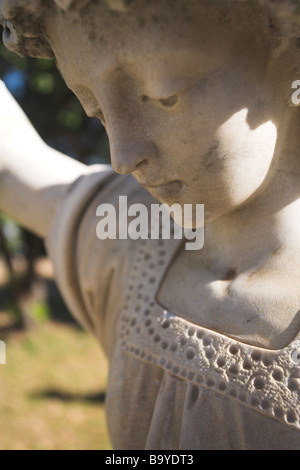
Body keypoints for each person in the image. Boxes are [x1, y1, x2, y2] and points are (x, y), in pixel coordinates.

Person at [1, 0, 300, 450]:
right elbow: (12, 165)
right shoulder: (133, 236)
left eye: (165, 96)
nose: (121, 155)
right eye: (94, 108)